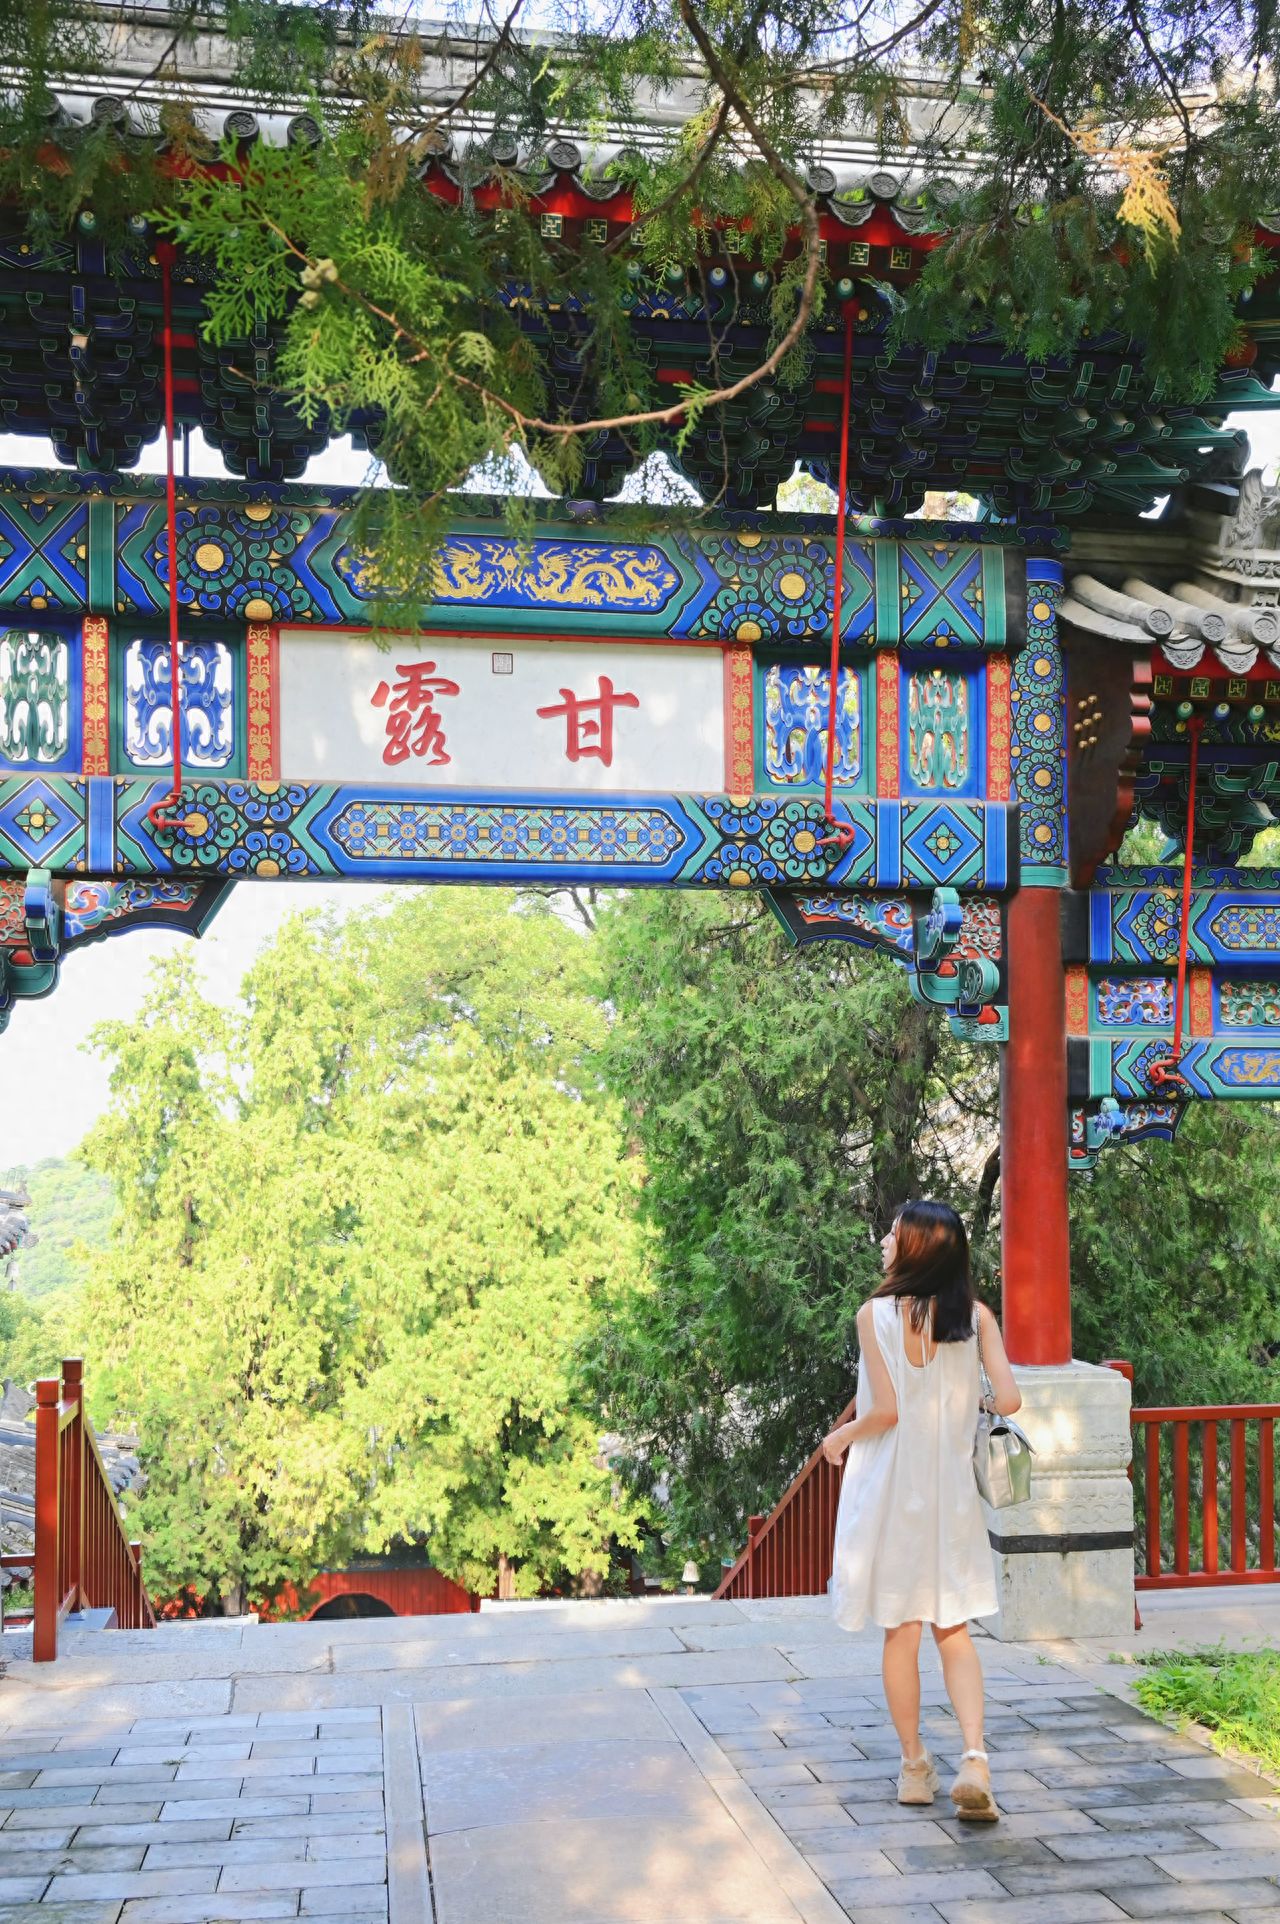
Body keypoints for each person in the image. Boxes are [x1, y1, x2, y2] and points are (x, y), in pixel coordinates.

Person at [821, 1199, 1021, 1823]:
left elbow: (884, 1413)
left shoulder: (875, 1315)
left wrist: (838, 1438)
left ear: (913, 1249)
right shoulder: (976, 1317)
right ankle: (975, 1759)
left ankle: (913, 1767)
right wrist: (966, 1400)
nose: (884, 1241)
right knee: (953, 1629)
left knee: (901, 1631)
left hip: (892, 1492)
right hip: (949, 1497)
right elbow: (1009, 1399)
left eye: (893, 1233)